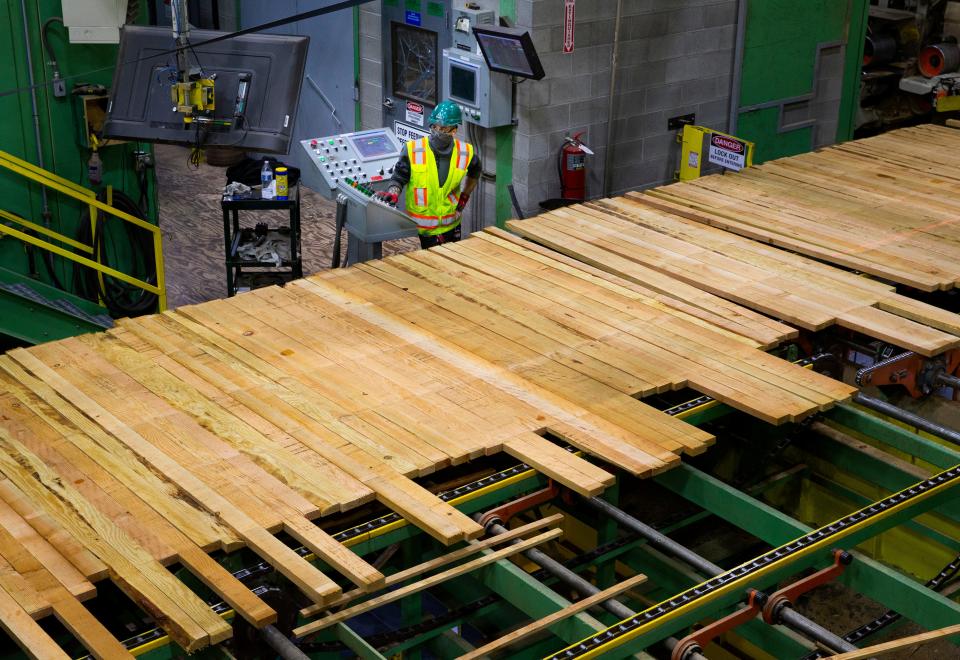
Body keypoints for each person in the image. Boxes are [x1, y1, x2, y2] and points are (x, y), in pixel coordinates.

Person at [374, 100, 481, 248]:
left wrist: (464, 197)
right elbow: (399, 177)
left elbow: (476, 170)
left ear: (454, 130)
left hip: (451, 223)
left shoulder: (465, 152)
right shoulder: (413, 150)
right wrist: (393, 193)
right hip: (422, 228)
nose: (437, 132)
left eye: (443, 128)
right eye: (434, 127)